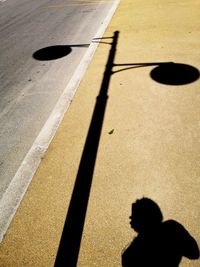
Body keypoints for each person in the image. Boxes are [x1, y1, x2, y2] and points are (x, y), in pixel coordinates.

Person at [122, 198, 199, 267]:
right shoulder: (171, 228)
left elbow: (194, 253)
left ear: (144, 218)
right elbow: (194, 253)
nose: (131, 222)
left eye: (133, 217)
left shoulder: (170, 229)